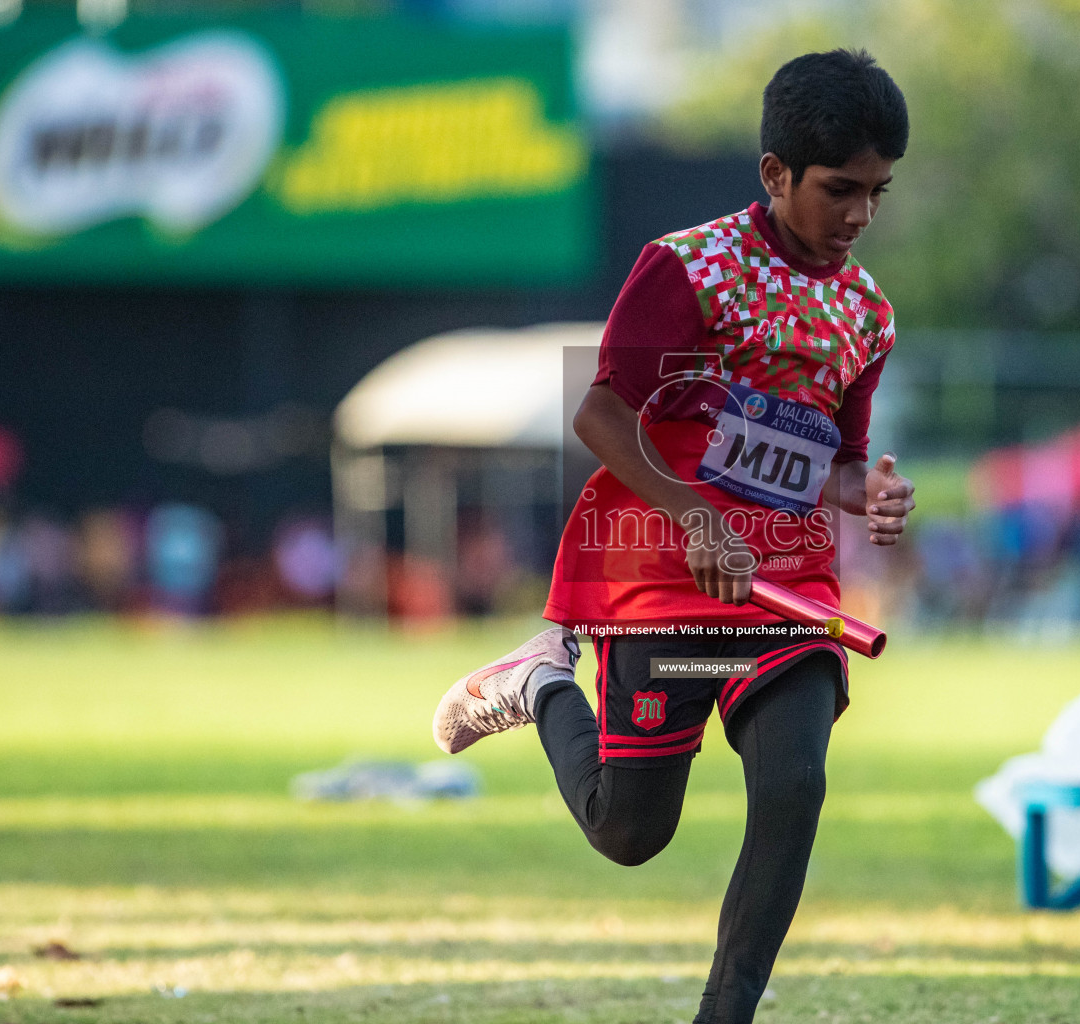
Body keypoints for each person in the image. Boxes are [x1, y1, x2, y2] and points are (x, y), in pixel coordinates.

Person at [433, 49, 914, 1024]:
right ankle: (539, 680)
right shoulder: (686, 267)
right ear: (775, 174)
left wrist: (871, 492)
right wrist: (694, 512)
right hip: (660, 568)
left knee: (796, 781)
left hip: (784, 587)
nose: (860, 214)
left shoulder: (866, 314)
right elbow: (603, 416)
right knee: (628, 830)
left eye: (878, 192)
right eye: (839, 190)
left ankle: (723, 1013)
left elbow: (836, 459)